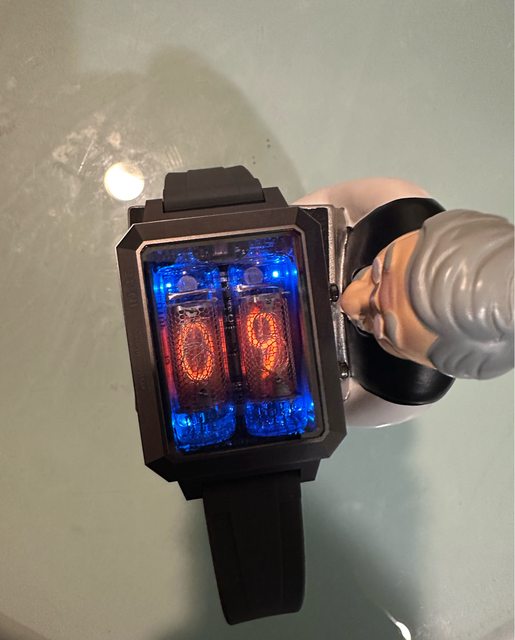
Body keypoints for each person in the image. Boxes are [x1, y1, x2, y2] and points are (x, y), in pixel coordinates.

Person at [295, 178, 514, 427]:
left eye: (377, 324)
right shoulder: (395, 204)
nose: (349, 300)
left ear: (425, 362)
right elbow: (323, 203)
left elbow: (322, 415)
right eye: (377, 273)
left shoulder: (398, 394)